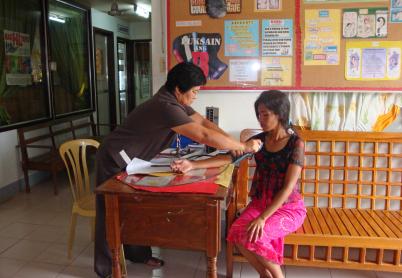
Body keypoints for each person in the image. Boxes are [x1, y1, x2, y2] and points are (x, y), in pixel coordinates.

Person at [94, 62, 262, 278]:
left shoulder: (176, 102)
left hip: (133, 160)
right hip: (113, 157)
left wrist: (233, 142)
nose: (195, 96)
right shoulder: (165, 106)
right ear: (178, 89)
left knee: (137, 207)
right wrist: (244, 146)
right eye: (194, 91)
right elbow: (203, 136)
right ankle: (105, 269)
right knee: (109, 212)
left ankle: (137, 254)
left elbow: (204, 124)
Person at [171, 90, 306, 278]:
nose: (261, 119)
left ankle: (277, 276)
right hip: (261, 203)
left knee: (257, 234)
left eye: (265, 114)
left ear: (280, 114)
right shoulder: (259, 140)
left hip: (287, 207)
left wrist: (262, 218)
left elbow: (288, 188)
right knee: (237, 232)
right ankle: (266, 275)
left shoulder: (295, 143)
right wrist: (192, 164)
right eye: (258, 114)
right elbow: (228, 157)